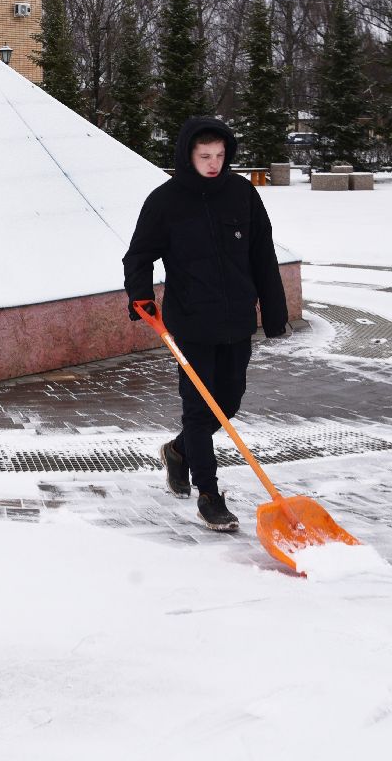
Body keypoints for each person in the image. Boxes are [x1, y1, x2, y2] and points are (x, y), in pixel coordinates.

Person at [122, 117, 289, 531]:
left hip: (236, 320)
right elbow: (138, 257)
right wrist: (141, 297)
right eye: (204, 157)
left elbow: (262, 256)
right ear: (187, 156)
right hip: (191, 321)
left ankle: (178, 451)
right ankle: (209, 496)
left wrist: (273, 313)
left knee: (228, 403)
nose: (214, 164)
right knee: (200, 411)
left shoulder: (242, 194)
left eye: (219, 156)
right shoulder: (165, 201)